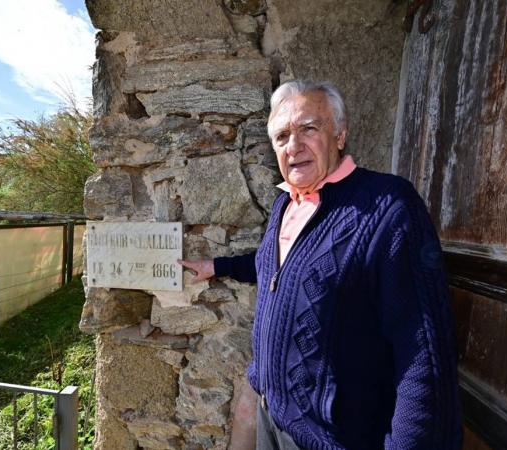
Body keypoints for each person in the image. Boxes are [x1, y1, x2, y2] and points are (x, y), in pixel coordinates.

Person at [179, 80, 462, 450]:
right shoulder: (285, 205)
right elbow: (282, 266)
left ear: (341, 134)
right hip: (271, 419)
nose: (293, 146)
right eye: (281, 137)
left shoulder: (388, 208)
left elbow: (422, 357)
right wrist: (218, 265)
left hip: (330, 440)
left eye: (308, 129)